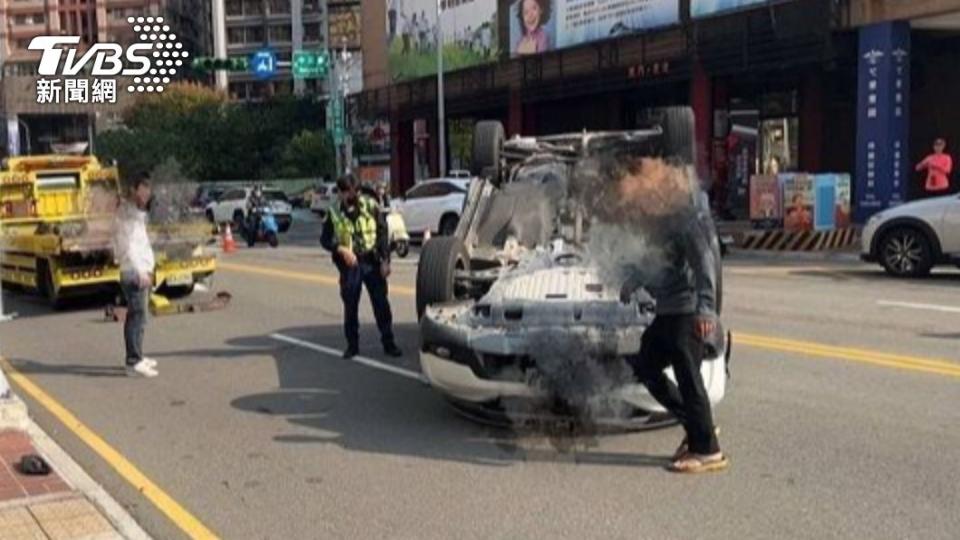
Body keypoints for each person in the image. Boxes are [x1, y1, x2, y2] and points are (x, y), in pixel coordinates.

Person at [615, 159, 727, 474]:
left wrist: (706, 310)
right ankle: (697, 428)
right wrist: (633, 282)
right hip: (666, 312)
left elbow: (705, 263)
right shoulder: (658, 223)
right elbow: (655, 264)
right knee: (646, 366)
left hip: (687, 313)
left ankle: (707, 451)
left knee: (690, 382)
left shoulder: (684, 220)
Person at [321, 174, 403, 359]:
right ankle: (352, 345)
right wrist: (341, 249)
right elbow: (325, 239)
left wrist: (385, 260)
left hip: (372, 261)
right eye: (350, 192)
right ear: (341, 193)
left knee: (381, 304)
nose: (355, 195)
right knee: (350, 306)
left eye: (356, 191)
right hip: (350, 265)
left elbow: (383, 233)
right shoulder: (333, 212)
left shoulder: (371, 206)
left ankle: (389, 343)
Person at [112, 173, 158, 378]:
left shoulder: (135, 213)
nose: (146, 194)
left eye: (148, 190)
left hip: (139, 270)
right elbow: (128, 247)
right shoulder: (126, 215)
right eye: (143, 189)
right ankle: (133, 361)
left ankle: (138, 355)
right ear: (134, 190)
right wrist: (140, 272)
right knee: (136, 317)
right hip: (133, 272)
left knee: (140, 316)